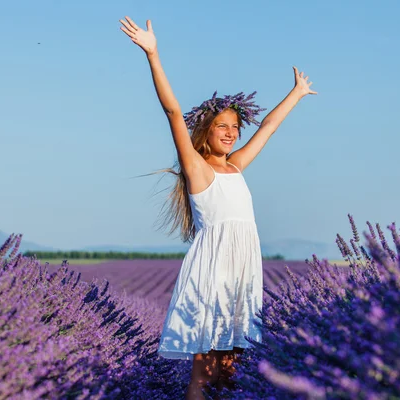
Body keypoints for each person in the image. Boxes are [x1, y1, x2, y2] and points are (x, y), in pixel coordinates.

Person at [119, 16, 316, 399]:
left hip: (242, 273)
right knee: (204, 373)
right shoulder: (197, 168)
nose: (231, 132)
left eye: (235, 127)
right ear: (206, 130)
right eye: (222, 126)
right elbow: (174, 112)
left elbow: (269, 128)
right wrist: (153, 54)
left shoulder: (236, 165)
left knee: (231, 373)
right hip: (214, 273)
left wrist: (296, 93)